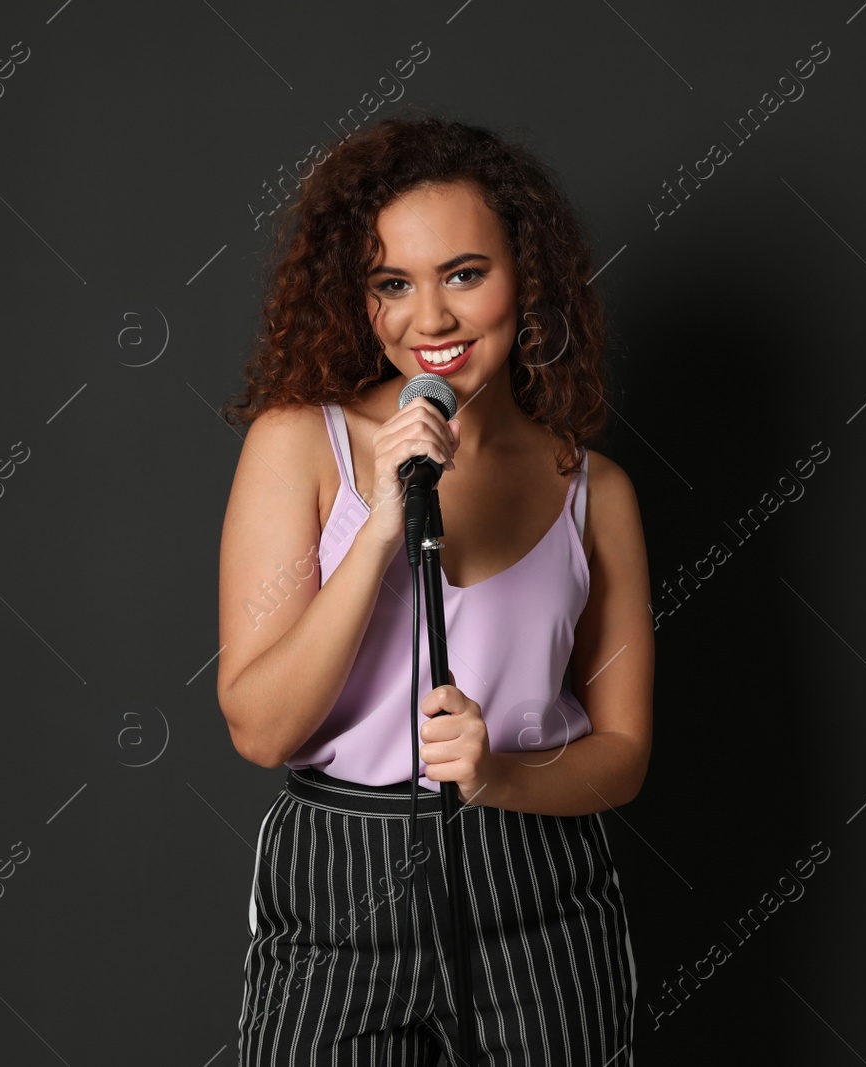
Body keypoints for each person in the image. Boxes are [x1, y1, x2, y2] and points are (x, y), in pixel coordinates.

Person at [215, 112, 651, 1065]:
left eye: (464, 273)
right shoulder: (298, 445)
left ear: (525, 278)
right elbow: (259, 727)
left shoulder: (595, 489)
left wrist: (499, 776)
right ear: (358, 298)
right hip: (342, 890)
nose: (432, 320)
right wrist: (379, 522)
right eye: (392, 284)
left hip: (541, 898)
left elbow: (622, 752)